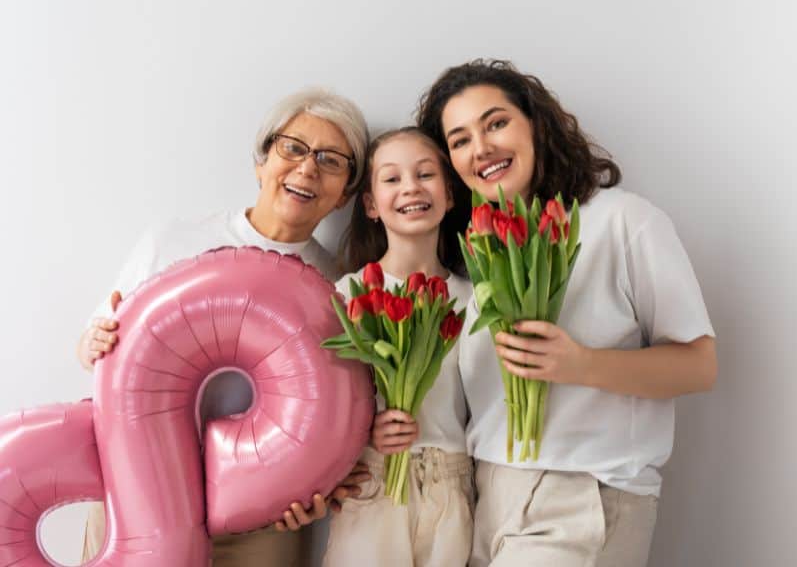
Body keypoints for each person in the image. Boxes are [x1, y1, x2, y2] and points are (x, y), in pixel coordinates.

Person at [416, 59, 718, 567]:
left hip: (582, 495)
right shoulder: (471, 253)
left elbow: (700, 364)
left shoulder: (621, 220)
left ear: (535, 124)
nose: (482, 148)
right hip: (484, 500)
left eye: (496, 123)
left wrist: (580, 364)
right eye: (460, 139)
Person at [77, 87, 372, 567]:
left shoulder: (341, 289)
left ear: (346, 195)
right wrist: (93, 342)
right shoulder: (175, 240)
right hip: (136, 494)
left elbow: (342, 415)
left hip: (262, 517)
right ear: (261, 163)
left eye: (331, 160)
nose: (307, 168)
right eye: (292, 148)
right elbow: (94, 345)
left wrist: (324, 481)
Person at [322, 127, 474, 567]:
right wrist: (365, 433)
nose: (410, 187)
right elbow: (323, 405)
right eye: (391, 179)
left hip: (451, 488)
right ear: (370, 205)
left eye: (426, 174)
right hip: (375, 486)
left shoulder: (473, 299)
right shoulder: (346, 297)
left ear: (449, 194)